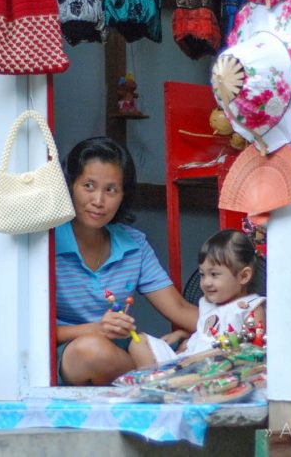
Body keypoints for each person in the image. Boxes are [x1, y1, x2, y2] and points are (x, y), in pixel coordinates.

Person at [56, 137, 198, 386]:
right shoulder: (47, 243)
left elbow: (180, 309)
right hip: (69, 353)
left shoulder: (133, 244)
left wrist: (217, 330)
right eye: (88, 186)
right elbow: (29, 329)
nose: (99, 201)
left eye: (111, 190)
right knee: (90, 350)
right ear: (69, 186)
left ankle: (159, 374)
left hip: (123, 354)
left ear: (123, 195)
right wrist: (94, 329)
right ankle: (164, 376)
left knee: (187, 344)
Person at [128, 229, 266, 368]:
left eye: (214, 274)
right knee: (139, 342)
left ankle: (165, 382)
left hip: (219, 367)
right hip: (186, 360)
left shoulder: (251, 308)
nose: (206, 282)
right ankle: (159, 382)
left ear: (243, 276)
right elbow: (207, 330)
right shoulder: (208, 303)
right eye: (202, 274)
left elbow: (253, 351)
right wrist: (185, 334)